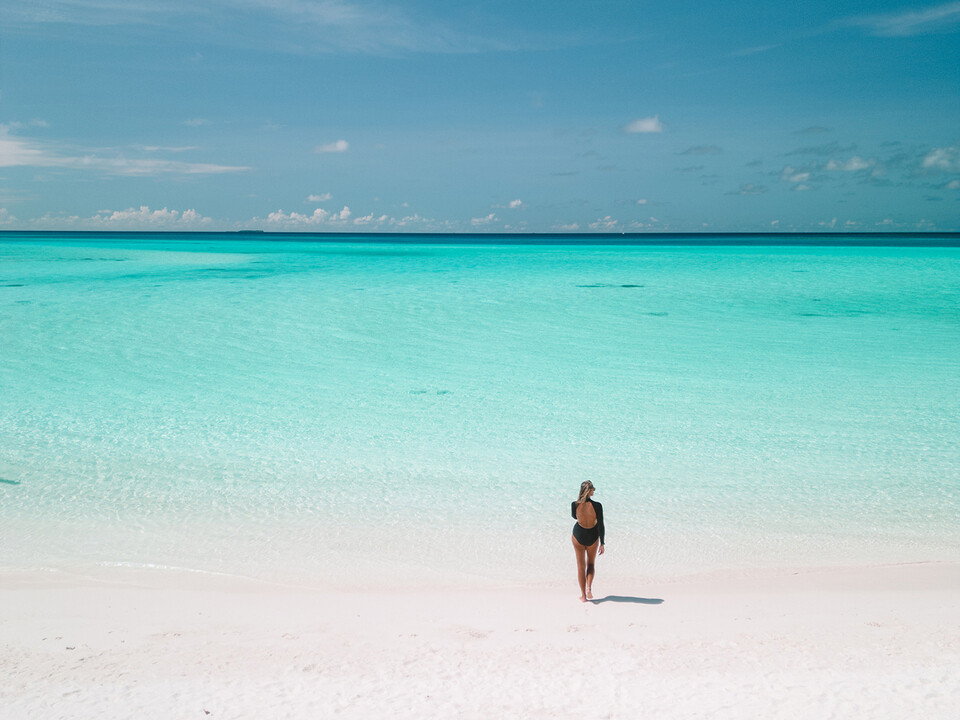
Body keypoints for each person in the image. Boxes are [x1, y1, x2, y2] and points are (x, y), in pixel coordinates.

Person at [571, 480, 605, 602]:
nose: (594, 491)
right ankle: (589, 588)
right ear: (588, 491)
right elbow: (601, 525)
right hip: (592, 536)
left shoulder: (574, 504)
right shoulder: (597, 506)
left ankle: (583, 596)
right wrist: (602, 543)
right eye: (593, 489)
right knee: (590, 564)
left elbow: (574, 517)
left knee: (581, 566)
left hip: (578, 536)